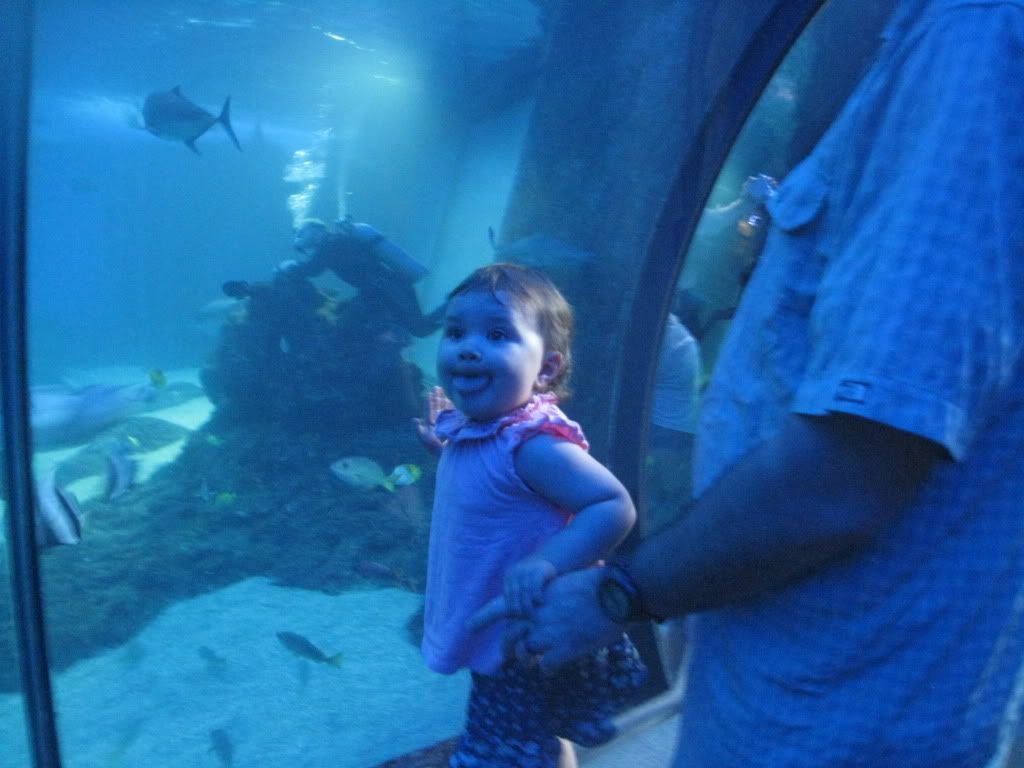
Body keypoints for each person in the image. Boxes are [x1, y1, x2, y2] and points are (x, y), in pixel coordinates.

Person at [469, 2, 1024, 765]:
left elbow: (850, 471)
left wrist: (621, 594)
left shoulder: (974, 41)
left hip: (830, 724)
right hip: (822, 694)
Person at [420, 263, 646, 768]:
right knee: (540, 737)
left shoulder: (532, 445)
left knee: (498, 753)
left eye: (497, 335)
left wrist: (546, 562)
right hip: (507, 624)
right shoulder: (482, 430)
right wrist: (447, 449)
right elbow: (493, 488)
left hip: (522, 634)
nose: (468, 347)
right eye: (455, 332)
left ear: (545, 369)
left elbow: (613, 504)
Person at [284, 217, 444, 337]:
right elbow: (313, 266)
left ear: (314, 230)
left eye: (301, 233)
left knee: (420, 328)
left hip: (387, 288)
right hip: (383, 289)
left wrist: (286, 267)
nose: (299, 239)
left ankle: (454, 305)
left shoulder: (331, 244)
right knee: (412, 328)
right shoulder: (336, 241)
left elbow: (311, 269)